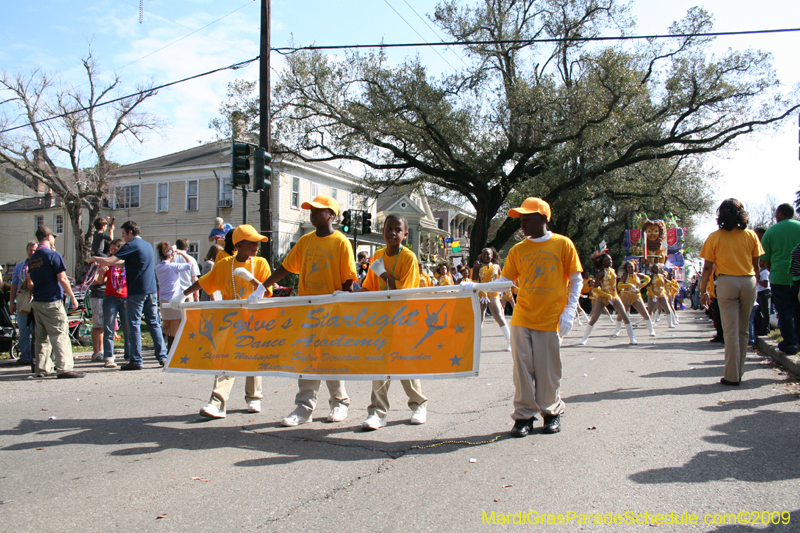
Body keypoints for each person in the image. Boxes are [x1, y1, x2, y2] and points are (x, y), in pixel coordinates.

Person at [254, 195, 356, 426]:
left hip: (331, 312)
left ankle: (340, 403)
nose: (312, 213)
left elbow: (348, 281)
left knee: (330, 360)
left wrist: (344, 306)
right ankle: (303, 409)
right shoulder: (306, 241)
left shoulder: (341, 242)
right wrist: (263, 287)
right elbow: (285, 267)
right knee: (307, 360)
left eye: (318, 210)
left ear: (331, 214)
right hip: (307, 311)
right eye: (311, 209)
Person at [500, 198, 582, 437]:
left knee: (548, 370)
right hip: (523, 316)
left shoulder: (563, 244)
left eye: (528, 218)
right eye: (521, 219)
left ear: (544, 218)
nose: (523, 223)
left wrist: (569, 311)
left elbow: (576, 279)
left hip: (550, 318)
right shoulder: (518, 250)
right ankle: (524, 417)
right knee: (522, 369)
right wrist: (474, 287)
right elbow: (505, 282)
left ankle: (551, 412)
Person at [176, 224, 273, 419]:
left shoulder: (261, 263)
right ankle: (217, 402)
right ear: (239, 244)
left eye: (257, 242)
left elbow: (267, 291)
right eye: (252, 242)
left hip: (255, 320)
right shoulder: (224, 264)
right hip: (230, 320)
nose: (256, 246)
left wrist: (252, 280)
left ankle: (254, 397)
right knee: (225, 359)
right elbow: (205, 281)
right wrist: (183, 295)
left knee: (253, 357)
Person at [357, 214, 428, 429]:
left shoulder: (408, 258)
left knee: (405, 364)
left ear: (405, 234)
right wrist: (347, 295)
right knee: (380, 366)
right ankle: (377, 412)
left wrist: (383, 274)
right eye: (389, 228)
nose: (393, 233)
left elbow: (403, 293)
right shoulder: (378, 255)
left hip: (404, 320)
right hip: (381, 321)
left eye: (398, 230)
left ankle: (418, 405)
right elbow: (368, 288)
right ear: (383, 231)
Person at [700, 199, 763, 386]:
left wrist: (703, 290)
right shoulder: (751, 235)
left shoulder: (715, 237)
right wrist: (754, 282)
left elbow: (707, 268)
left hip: (726, 281)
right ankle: (739, 371)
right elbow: (756, 265)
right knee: (743, 331)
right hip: (749, 281)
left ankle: (731, 375)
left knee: (730, 332)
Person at [89, 221, 168, 370]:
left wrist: (94, 259)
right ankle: (162, 357)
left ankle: (136, 360)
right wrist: (109, 264)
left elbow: (109, 260)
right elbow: (125, 264)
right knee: (154, 323)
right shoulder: (147, 245)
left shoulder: (131, 245)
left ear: (131, 232)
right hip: (151, 290)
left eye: (124, 233)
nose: (123, 237)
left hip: (137, 291)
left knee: (134, 324)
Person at [27, 226, 85, 378]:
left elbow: (30, 281)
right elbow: (63, 278)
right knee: (59, 333)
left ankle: (42, 368)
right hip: (52, 300)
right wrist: (72, 296)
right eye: (53, 237)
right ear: (47, 237)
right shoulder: (53, 255)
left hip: (37, 300)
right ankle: (64, 367)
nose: (53, 239)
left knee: (41, 337)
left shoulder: (32, 258)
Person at [760, 203, 800, 355]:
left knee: (784, 312)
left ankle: (789, 343)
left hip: (779, 276)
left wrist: (772, 270)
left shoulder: (771, 232)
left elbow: (765, 258)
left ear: (781, 213)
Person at [579, 253, 637, 345]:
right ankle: (584, 338)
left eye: (611, 259)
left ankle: (632, 338)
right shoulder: (600, 273)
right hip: (603, 297)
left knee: (624, 315)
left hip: (614, 296)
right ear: (603, 262)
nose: (610, 261)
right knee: (594, 318)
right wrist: (605, 294)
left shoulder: (613, 270)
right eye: (608, 260)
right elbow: (595, 288)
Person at [154, 241, 195, 352]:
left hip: (163, 299)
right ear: (170, 254)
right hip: (174, 299)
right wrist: (181, 253)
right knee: (175, 324)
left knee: (166, 324)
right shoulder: (173, 266)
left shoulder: (158, 267)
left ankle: (159, 348)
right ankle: (171, 349)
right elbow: (191, 264)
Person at [471, 247, 512, 351]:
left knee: (498, 315)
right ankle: (476, 344)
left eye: (488, 254)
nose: (486, 256)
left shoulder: (497, 266)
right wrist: (481, 293)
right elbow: (474, 283)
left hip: (493, 293)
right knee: (479, 318)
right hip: (481, 294)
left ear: (492, 256)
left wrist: (505, 294)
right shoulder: (477, 267)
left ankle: (509, 342)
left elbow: (501, 280)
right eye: (484, 254)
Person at [9, 241, 37, 366]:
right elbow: (14, 285)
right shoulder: (20, 267)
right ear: (27, 250)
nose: (32, 252)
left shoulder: (41, 265)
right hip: (23, 300)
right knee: (24, 330)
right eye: (31, 250)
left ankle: (36, 357)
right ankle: (25, 356)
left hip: (37, 300)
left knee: (37, 331)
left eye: (35, 250)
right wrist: (11, 303)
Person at [101, 238, 129, 368]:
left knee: (128, 328)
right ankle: (109, 357)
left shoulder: (128, 262)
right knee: (108, 327)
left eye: (114, 249)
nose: (111, 252)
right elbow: (99, 281)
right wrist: (102, 272)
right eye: (110, 249)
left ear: (120, 250)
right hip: (110, 297)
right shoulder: (109, 262)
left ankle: (129, 356)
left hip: (125, 297)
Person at [614, 260, 656, 337]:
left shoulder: (638, 275)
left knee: (645, 313)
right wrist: (629, 285)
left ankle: (651, 330)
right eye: (629, 267)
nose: (631, 269)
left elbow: (648, 279)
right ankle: (617, 330)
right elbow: (619, 286)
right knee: (621, 314)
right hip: (626, 296)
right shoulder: (625, 276)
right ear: (626, 268)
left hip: (636, 296)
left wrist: (642, 285)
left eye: (632, 267)